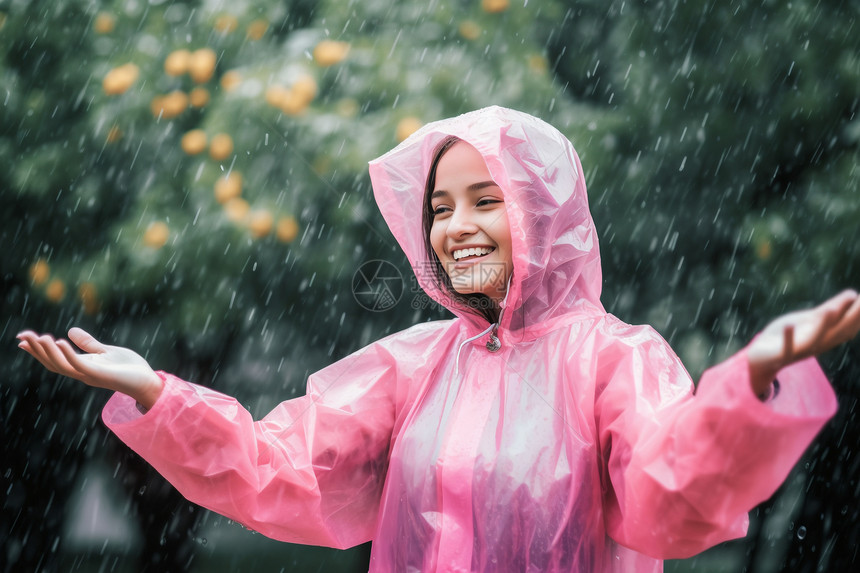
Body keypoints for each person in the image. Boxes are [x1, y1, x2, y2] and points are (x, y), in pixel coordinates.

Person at [17, 106, 860, 572]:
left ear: (540, 210)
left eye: (484, 199)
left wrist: (752, 380)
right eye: (439, 207)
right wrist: (156, 393)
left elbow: (670, 493)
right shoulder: (413, 365)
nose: (455, 226)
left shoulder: (612, 358)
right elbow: (281, 467)